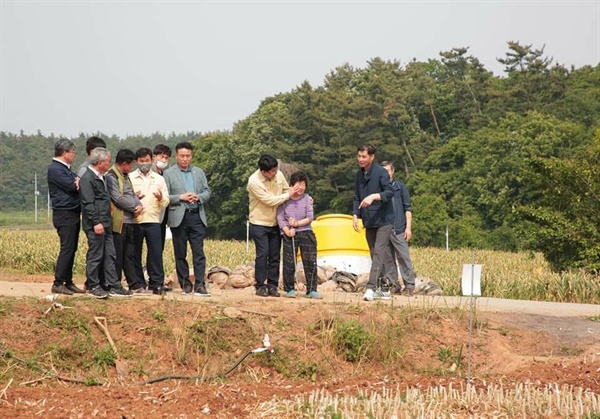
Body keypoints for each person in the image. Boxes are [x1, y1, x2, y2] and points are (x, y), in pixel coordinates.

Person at [79, 147, 132, 298]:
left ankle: (113, 284)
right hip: (96, 225)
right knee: (95, 255)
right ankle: (94, 285)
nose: (110, 164)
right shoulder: (88, 178)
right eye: (108, 161)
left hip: (106, 223)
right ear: (100, 162)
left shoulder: (101, 176)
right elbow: (88, 203)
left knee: (110, 254)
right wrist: (96, 222)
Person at [247, 154, 301, 297]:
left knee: (275, 255)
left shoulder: (279, 174)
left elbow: (285, 190)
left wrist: (297, 197)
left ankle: (273, 285)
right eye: (272, 172)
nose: (275, 173)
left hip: (276, 222)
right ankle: (260, 285)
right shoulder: (254, 181)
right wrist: (288, 195)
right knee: (262, 254)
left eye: (276, 170)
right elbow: (270, 201)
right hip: (259, 222)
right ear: (264, 172)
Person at [163, 142, 212, 296]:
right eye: (182, 156)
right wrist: (181, 197)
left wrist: (198, 197)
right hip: (179, 217)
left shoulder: (199, 172)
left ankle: (199, 284)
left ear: (191, 156)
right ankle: (185, 284)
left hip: (196, 215)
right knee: (180, 252)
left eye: (188, 156)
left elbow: (207, 191)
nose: (185, 159)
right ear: (177, 156)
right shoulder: (169, 174)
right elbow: (165, 196)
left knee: (198, 252)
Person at [352, 144, 395, 302]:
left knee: (378, 252)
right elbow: (356, 196)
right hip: (369, 220)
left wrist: (374, 196)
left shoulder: (381, 173)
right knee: (374, 254)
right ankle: (384, 288)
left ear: (372, 157)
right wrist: (355, 215)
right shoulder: (359, 175)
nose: (361, 159)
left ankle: (371, 288)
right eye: (359, 156)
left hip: (384, 220)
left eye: (364, 157)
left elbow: (390, 192)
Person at [130, 147, 171, 294]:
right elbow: (125, 198)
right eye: (141, 161)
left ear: (151, 160)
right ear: (136, 162)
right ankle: (138, 282)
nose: (145, 163)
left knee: (155, 253)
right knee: (135, 253)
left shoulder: (159, 179)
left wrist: (160, 198)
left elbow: (166, 201)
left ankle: (156, 283)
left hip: (153, 220)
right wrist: (134, 199)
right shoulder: (130, 178)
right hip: (136, 221)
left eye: (147, 160)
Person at [47, 139, 85, 295]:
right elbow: (72, 185)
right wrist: (76, 182)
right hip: (64, 213)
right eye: (72, 152)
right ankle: (58, 282)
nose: (74, 155)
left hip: (73, 212)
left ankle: (68, 281)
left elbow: (78, 181)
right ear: (65, 153)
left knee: (72, 248)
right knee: (67, 248)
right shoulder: (55, 169)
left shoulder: (66, 169)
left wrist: (77, 181)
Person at [276, 171, 321, 299]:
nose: (300, 187)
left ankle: (312, 289)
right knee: (289, 261)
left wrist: (296, 223)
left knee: (310, 261)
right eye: (297, 184)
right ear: (291, 185)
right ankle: (289, 289)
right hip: (289, 234)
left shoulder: (307, 198)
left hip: (306, 232)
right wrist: (287, 230)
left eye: (303, 184)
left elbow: (310, 217)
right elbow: (280, 217)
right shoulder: (284, 199)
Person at [105, 149, 142, 294]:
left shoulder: (125, 177)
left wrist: (139, 205)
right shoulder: (111, 176)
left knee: (129, 254)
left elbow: (132, 193)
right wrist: (134, 207)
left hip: (129, 221)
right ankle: (115, 284)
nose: (131, 167)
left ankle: (133, 283)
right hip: (118, 221)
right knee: (117, 255)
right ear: (125, 163)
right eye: (131, 164)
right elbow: (117, 198)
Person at [381, 161, 417, 296]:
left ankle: (409, 286)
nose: (386, 174)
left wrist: (408, 228)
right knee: (388, 260)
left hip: (399, 229)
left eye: (388, 171)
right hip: (384, 229)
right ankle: (394, 285)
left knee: (404, 258)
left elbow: (408, 208)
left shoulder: (400, 188)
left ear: (392, 172)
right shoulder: (379, 189)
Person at [151, 144, 172, 250]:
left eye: (166, 158)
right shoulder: (149, 173)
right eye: (161, 157)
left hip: (163, 216)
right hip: (151, 216)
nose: (163, 160)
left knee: (160, 247)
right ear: (154, 156)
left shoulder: (166, 175)